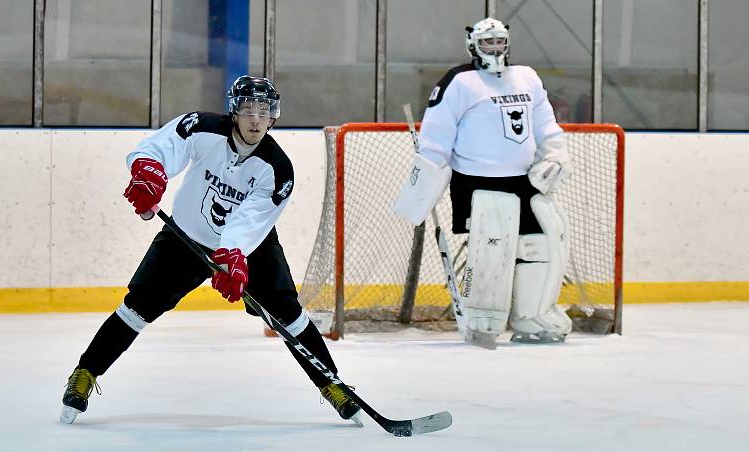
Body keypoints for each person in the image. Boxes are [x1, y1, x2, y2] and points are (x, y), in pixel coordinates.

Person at [60, 76, 362, 426]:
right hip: (184, 238)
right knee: (136, 308)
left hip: (250, 248)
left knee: (287, 313)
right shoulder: (202, 127)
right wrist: (149, 173)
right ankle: (85, 374)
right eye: (248, 109)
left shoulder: (278, 169)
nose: (255, 120)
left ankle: (332, 385)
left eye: (263, 112)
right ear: (234, 110)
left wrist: (233, 257)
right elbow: (158, 149)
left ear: (273, 117)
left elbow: (250, 222)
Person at [397, 18, 573, 348]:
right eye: (487, 42)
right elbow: (436, 138)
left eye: (499, 41)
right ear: (473, 46)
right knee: (492, 251)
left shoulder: (526, 77)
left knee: (540, 246)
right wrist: (425, 185)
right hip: (477, 183)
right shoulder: (459, 81)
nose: (494, 49)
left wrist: (557, 156)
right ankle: (483, 319)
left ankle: (530, 316)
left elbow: (546, 126)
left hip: (525, 182)